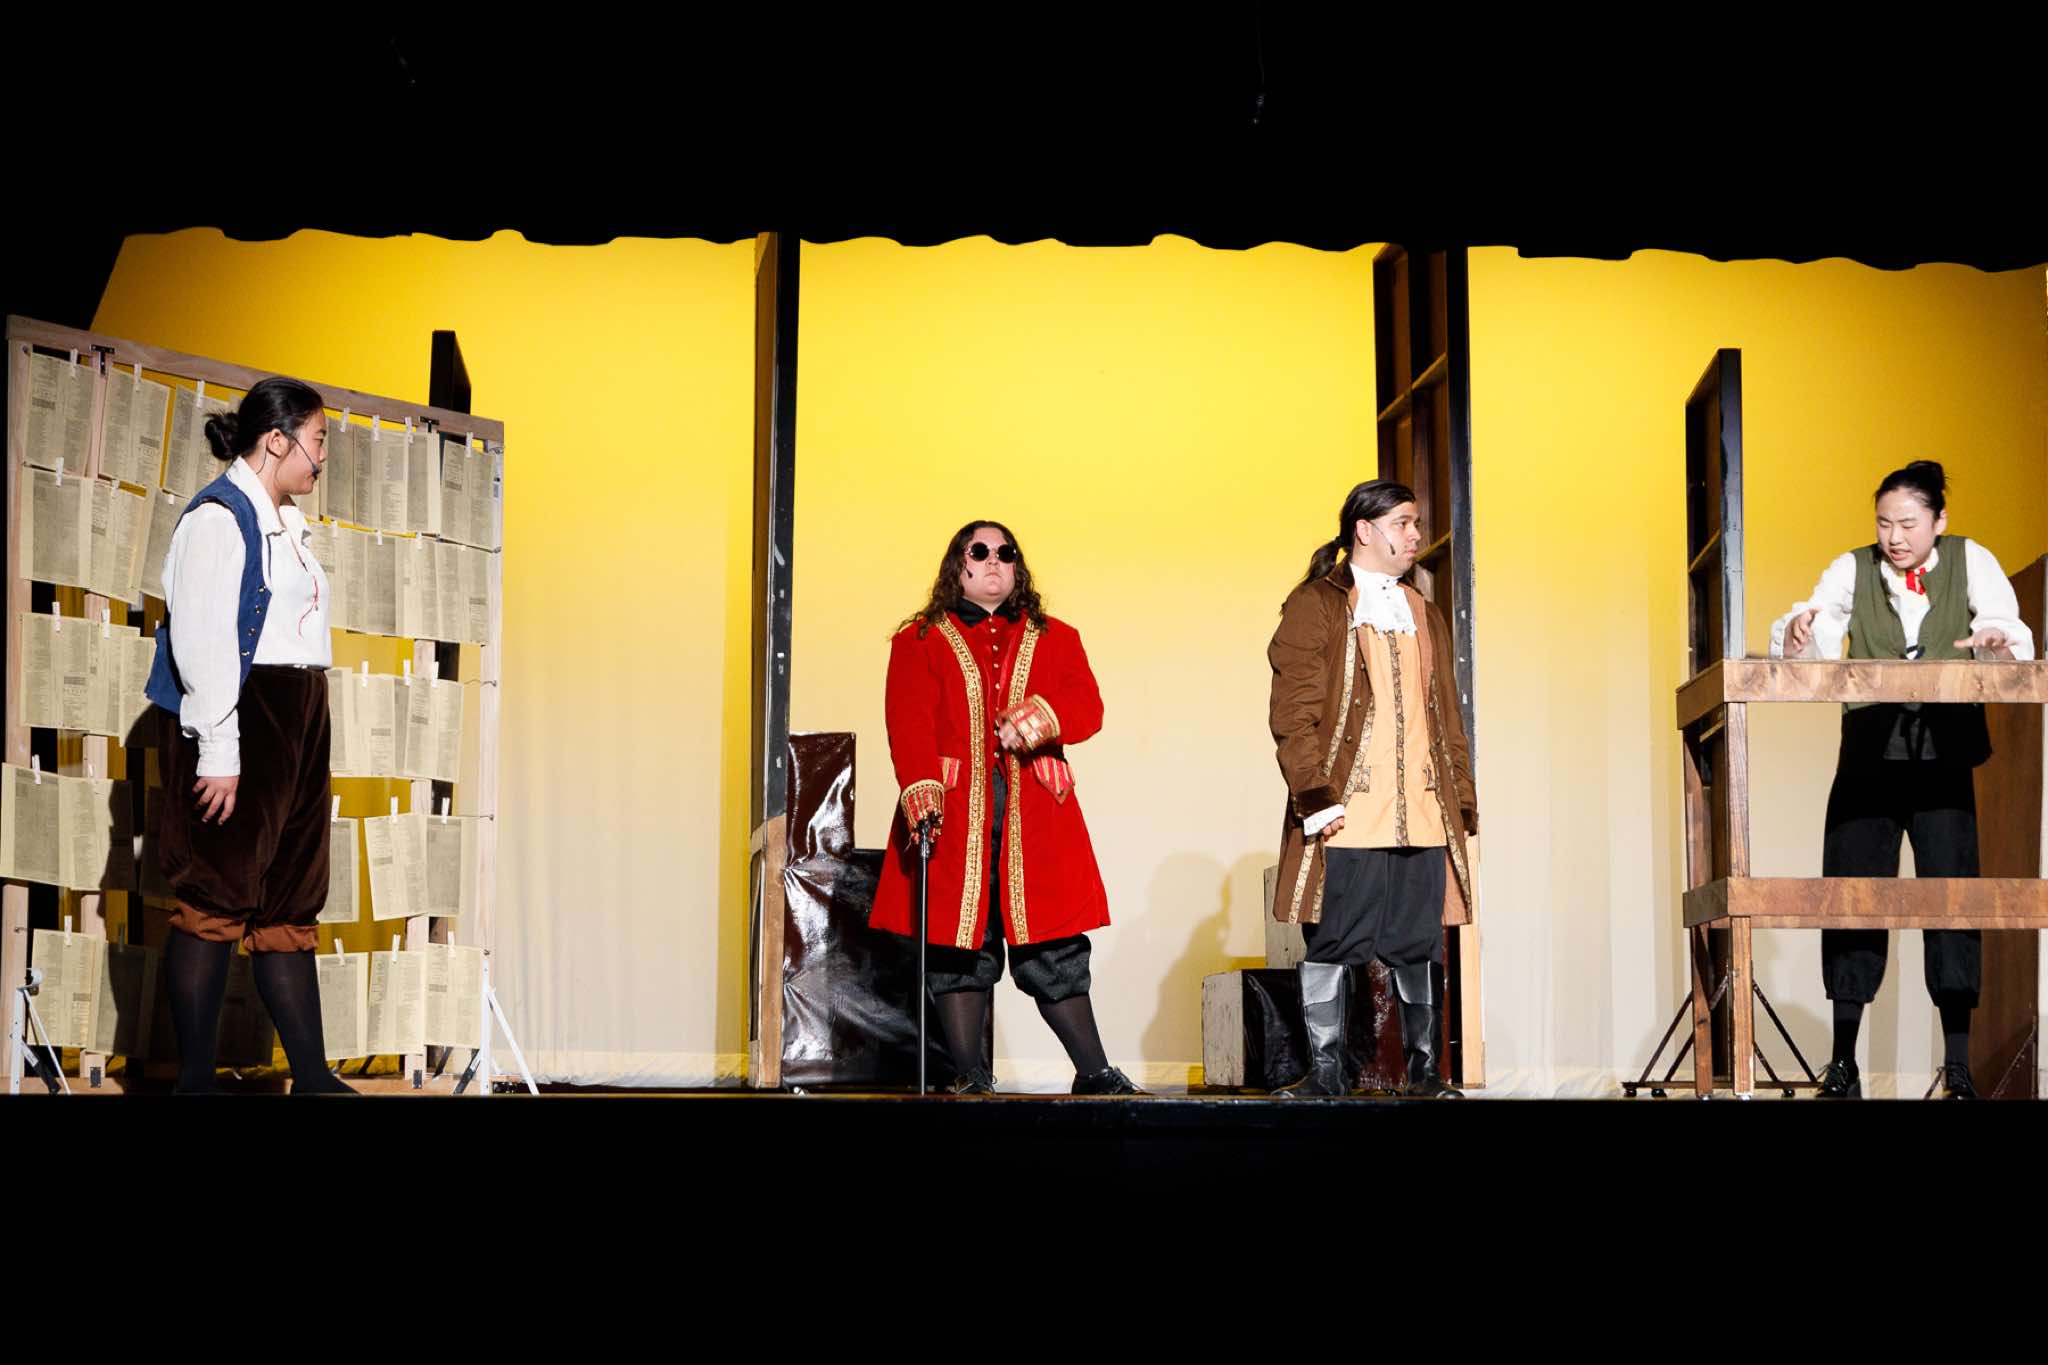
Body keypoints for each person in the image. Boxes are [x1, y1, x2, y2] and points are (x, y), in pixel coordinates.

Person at [1769, 459, 2033, 1099]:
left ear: (1938, 521)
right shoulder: (1853, 568)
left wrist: (1995, 641)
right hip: (1869, 757)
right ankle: (1843, 1064)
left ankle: (1958, 1067)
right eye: (1885, 523)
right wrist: (1801, 632)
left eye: (1909, 523)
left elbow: (2006, 631)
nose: (1894, 536)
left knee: (1954, 902)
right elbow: (1816, 630)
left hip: (1944, 759)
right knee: (1852, 897)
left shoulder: (1970, 559)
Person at [869, 520, 1143, 1096]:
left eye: (1005, 552)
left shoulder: (1057, 637)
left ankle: (1094, 1073)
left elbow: (1087, 706)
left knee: (1054, 943)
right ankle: (970, 1076)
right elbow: (908, 720)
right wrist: (920, 787)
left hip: (1036, 813)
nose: (994, 560)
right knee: (958, 944)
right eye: (980, 551)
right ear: (959, 565)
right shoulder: (919, 640)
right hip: (954, 812)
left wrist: (1039, 717)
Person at [143, 376, 353, 1094]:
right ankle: (195, 1080)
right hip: (243, 716)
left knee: (291, 899)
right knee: (216, 895)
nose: (323, 456)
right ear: (278, 440)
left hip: (298, 715)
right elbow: (201, 641)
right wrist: (219, 750)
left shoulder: (286, 523)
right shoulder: (218, 519)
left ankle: (313, 1078)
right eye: (318, 440)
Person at [1266, 480, 1478, 1098]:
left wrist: (1461, 796)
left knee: (1418, 943)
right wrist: (1313, 792)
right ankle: (1327, 1073)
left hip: (1421, 807)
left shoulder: (1422, 610)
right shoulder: (1317, 603)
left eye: (1416, 523)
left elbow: (1447, 715)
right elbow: (1294, 710)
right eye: (1403, 523)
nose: (1415, 536)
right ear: (1364, 529)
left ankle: (1423, 1074)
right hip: (1349, 807)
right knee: (1336, 937)